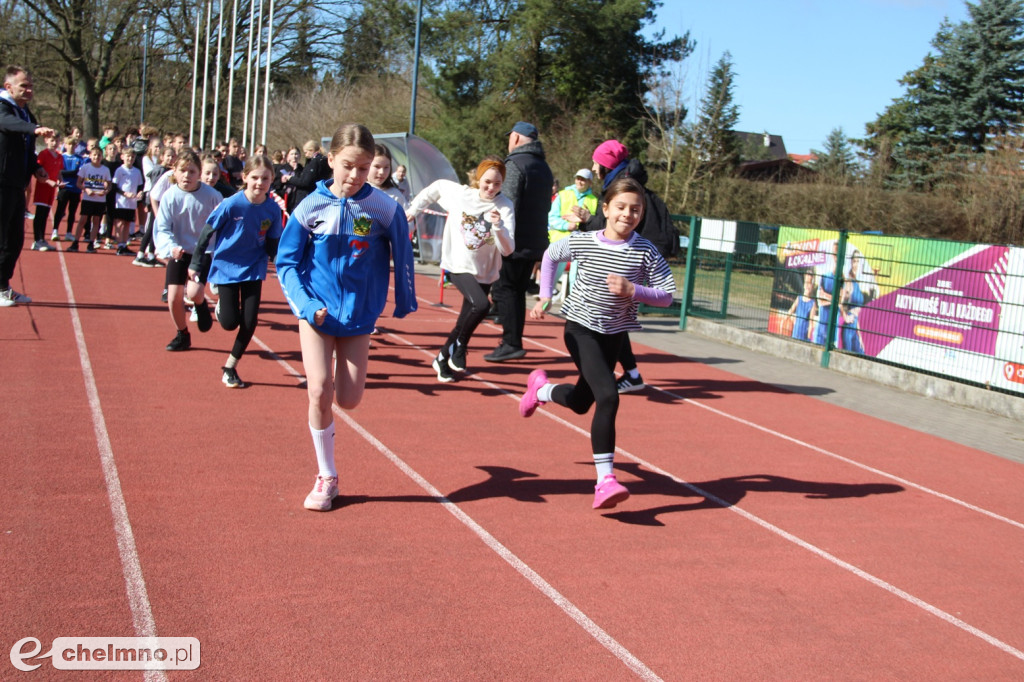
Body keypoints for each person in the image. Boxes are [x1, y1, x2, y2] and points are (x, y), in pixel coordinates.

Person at [275, 123, 417, 512]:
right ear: (331, 160)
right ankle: (326, 474)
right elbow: (286, 263)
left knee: (350, 400)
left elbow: (404, 255)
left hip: (358, 313)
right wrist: (306, 306)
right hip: (316, 311)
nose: (356, 176)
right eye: (349, 166)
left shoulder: (384, 209)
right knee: (319, 389)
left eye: (365, 167)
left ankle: (329, 448)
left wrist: (404, 299)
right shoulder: (310, 206)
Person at [519, 177, 676, 509]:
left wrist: (635, 291)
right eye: (620, 207)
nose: (627, 214)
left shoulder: (645, 251)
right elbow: (550, 256)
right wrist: (545, 295)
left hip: (613, 335)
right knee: (608, 396)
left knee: (580, 402)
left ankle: (541, 390)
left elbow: (667, 296)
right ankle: (605, 481)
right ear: (605, 209)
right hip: (580, 329)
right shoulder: (585, 241)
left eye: (636, 209)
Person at [575, 139, 679, 393]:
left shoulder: (622, 185)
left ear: (605, 165)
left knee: (612, 316)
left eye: (596, 162)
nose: (593, 166)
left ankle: (616, 371)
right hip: (635, 252)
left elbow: (610, 228)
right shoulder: (627, 180)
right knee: (616, 316)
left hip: (632, 255)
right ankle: (629, 372)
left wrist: (587, 221)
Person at [406, 157, 515, 382]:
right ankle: (461, 345)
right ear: (478, 179)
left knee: (466, 317)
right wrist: (414, 209)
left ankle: (442, 358)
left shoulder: (504, 206)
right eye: (487, 182)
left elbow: (507, 250)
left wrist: (498, 226)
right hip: (458, 263)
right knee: (482, 305)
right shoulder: (461, 194)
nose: (491, 188)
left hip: (484, 270)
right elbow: (435, 188)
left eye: (497, 184)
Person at [189, 154, 282, 387]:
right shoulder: (232, 204)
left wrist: (282, 263)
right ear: (245, 177)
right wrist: (195, 264)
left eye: (266, 178)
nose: (260, 183)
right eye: (255, 178)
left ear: (272, 180)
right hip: (227, 267)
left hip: (253, 266)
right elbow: (206, 234)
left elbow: (273, 243)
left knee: (249, 322)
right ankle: (221, 303)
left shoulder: (272, 210)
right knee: (230, 323)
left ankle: (230, 366)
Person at [484, 121, 554, 362]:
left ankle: (511, 341)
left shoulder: (514, 164)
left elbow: (508, 203)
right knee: (516, 290)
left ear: (515, 139)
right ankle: (512, 338)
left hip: (515, 240)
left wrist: (496, 232)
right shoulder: (544, 167)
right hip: (535, 239)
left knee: (506, 290)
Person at [154, 150, 223, 351]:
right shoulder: (170, 196)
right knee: (174, 296)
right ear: (174, 172)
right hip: (179, 250)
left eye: (192, 171)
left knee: (193, 292)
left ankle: (200, 304)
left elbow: (222, 222)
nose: (187, 176)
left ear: (199, 174)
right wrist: (170, 247)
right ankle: (182, 333)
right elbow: (163, 227)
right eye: (182, 171)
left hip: (202, 251)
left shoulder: (212, 196)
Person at [0, 66, 54, 307]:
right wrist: (34, 129)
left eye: (31, 85)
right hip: (1, 183)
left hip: (16, 184)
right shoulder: (4, 108)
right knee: (2, 238)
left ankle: (3, 286)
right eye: (24, 86)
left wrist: (35, 168)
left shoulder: (25, 113)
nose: (29, 90)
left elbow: (27, 147)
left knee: (15, 238)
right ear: (9, 87)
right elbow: (9, 124)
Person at [547, 168, 598, 293]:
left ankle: (572, 307)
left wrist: (582, 224)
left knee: (576, 277)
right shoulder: (563, 194)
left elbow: (596, 225)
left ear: (590, 182)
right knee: (551, 277)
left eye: (584, 180)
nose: (580, 182)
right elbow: (551, 218)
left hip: (582, 244)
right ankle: (544, 301)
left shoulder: (595, 201)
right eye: (578, 178)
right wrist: (566, 225)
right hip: (560, 242)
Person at [69, 145, 110, 253]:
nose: (97, 157)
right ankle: (75, 242)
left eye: (99, 155)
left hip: (100, 200)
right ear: (90, 156)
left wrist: (105, 191)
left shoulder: (105, 170)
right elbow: (78, 183)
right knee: (83, 219)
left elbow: (109, 184)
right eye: (95, 155)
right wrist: (86, 189)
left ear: (102, 157)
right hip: (88, 198)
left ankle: (91, 243)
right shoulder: (85, 167)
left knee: (96, 220)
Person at [30, 131, 63, 251]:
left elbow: (59, 172)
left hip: (51, 190)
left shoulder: (59, 156)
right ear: (46, 141)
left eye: (57, 141)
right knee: (40, 214)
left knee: (45, 215)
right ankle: (37, 240)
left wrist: (60, 182)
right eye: (52, 140)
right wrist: (49, 181)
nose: (54, 143)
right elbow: (38, 173)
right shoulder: (43, 154)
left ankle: (42, 239)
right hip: (42, 189)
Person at [51, 134, 85, 242]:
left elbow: (78, 173)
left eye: (73, 144)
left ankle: (69, 232)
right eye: (69, 144)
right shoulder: (61, 157)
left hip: (75, 188)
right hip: (64, 187)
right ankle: (55, 230)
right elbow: (60, 171)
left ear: (76, 146)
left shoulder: (79, 159)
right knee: (60, 210)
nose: (71, 146)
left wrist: (67, 173)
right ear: (65, 145)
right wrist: (68, 173)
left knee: (72, 211)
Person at [111, 146, 143, 255]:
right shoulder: (120, 170)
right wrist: (124, 193)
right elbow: (114, 186)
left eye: (133, 157)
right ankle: (119, 245)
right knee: (120, 223)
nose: (130, 159)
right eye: (128, 156)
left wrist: (140, 193)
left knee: (128, 223)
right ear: (123, 157)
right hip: (121, 202)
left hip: (132, 203)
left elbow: (140, 186)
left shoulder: (137, 171)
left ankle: (124, 244)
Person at [284, 139, 331, 206]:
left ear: (311, 150)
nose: (305, 155)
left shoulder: (315, 162)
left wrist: (290, 178)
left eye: (306, 152)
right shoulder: (324, 160)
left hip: (308, 196)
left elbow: (305, 182)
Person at [786, 270, 817, 342]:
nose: (808, 286)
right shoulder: (799, 298)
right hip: (796, 331)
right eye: (806, 283)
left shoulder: (812, 303)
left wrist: (809, 336)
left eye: (810, 283)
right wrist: (786, 318)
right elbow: (791, 310)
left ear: (812, 286)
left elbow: (811, 322)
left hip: (804, 334)